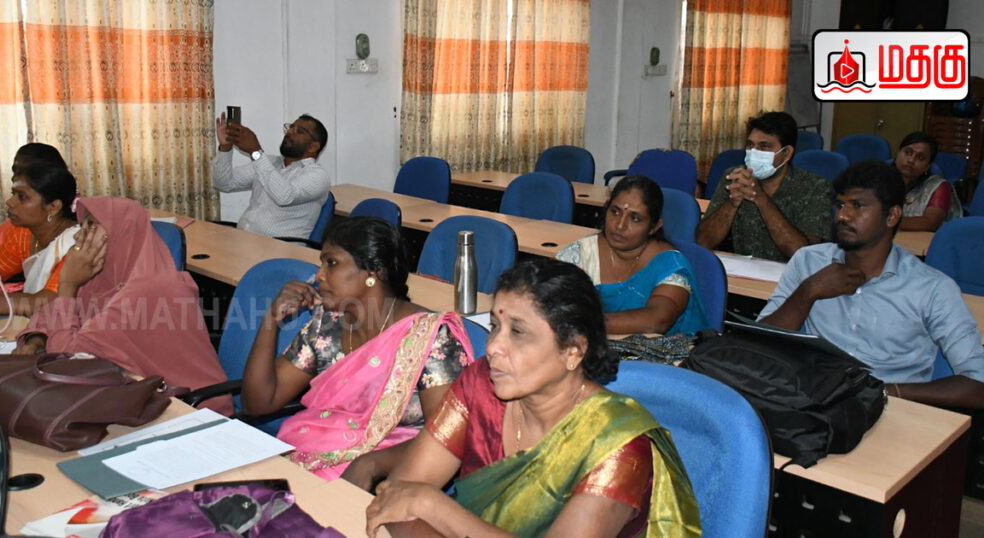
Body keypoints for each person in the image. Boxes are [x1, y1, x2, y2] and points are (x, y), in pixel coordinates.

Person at [365, 259, 701, 537]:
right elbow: (397, 494)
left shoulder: (616, 445)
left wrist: (432, 505)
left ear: (573, 351)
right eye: (495, 326)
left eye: (518, 331)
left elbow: (416, 499)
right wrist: (417, 504)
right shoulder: (481, 384)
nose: (493, 347)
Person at [240, 216, 473, 484]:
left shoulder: (431, 337)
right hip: (307, 459)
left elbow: (445, 437)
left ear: (373, 273)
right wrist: (270, 321)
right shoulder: (326, 326)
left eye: (332, 263)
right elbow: (258, 403)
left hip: (385, 477)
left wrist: (371, 464)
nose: (319, 275)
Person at [758, 161, 984, 409]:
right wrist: (808, 292)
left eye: (858, 206)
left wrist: (882, 392)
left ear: (892, 216)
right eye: (840, 205)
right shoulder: (809, 262)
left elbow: (978, 384)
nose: (842, 216)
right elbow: (759, 347)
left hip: (892, 410)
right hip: (811, 403)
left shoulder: (932, 289)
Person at [15, 196, 232, 415]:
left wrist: (67, 285)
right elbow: (47, 315)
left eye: (92, 225)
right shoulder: (103, 279)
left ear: (121, 234)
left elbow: (71, 362)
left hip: (193, 412)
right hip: (141, 397)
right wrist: (37, 339)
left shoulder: (151, 291)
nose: (79, 236)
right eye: (82, 226)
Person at [557, 175, 709, 335]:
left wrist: (584, 324)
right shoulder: (581, 254)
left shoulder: (670, 266)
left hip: (663, 349)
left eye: (635, 219)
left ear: (654, 227)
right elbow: (552, 304)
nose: (620, 225)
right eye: (615, 212)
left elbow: (657, 320)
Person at [697, 111, 833, 262]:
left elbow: (805, 256)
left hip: (789, 273)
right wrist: (732, 203)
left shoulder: (815, 188)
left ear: (786, 153)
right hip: (744, 270)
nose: (754, 152)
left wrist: (761, 198)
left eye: (764, 146)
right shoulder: (735, 177)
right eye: (750, 145)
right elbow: (703, 242)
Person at [0, 144, 79, 315]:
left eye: (22, 197)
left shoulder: (76, 244)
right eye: (13, 194)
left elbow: (46, 303)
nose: (10, 202)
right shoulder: (23, 234)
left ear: (53, 207)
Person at [212, 112, 331, 239]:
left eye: (299, 131)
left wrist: (256, 152)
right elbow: (224, 183)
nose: (290, 132)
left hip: (281, 247)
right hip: (244, 239)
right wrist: (225, 148)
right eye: (290, 127)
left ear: (313, 146)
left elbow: (285, 197)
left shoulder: (318, 175)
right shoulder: (269, 162)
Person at [893, 131, 963, 231]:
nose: (911, 160)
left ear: (927, 166)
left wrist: (887, 221)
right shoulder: (881, 179)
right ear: (898, 154)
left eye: (920, 158)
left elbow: (930, 223)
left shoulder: (938, 187)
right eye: (908, 153)